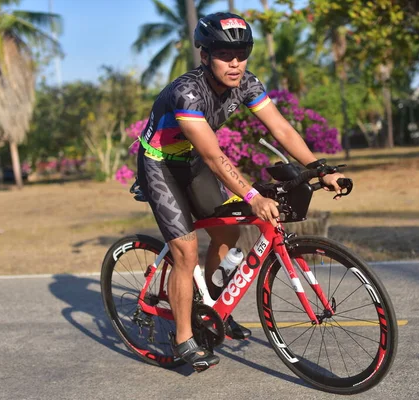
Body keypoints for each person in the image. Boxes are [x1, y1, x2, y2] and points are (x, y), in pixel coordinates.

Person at [136, 12, 346, 372]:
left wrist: (320, 168)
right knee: (185, 253)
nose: (234, 62)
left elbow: (281, 128)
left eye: (241, 53)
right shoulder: (187, 92)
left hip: (192, 161)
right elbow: (215, 157)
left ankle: (217, 306)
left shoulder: (246, 83)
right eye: (223, 53)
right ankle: (184, 336)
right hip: (160, 164)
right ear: (205, 55)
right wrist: (253, 196)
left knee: (229, 227)